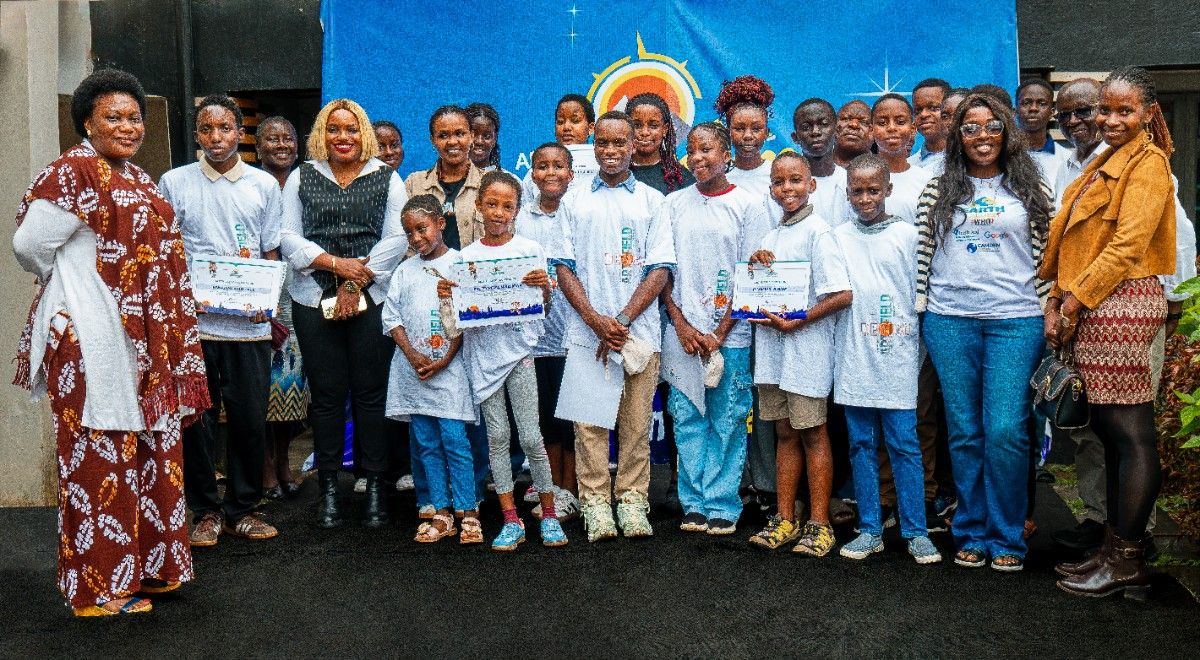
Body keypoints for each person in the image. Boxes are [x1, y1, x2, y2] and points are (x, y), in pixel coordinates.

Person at [12, 69, 210, 615]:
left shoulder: (138, 177)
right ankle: (98, 589)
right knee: (98, 461)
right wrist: (71, 288)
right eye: (113, 117)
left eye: (134, 117)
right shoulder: (71, 172)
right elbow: (29, 246)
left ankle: (147, 568)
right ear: (86, 122)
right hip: (91, 340)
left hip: (142, 345)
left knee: (147, 452)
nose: (128, 127)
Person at [1044, 67, 1177, 599]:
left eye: (1125, 110)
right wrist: (1058, 297)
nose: (1111, 119)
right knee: (1111, 432)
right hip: (1098, 303)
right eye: (1106, 109)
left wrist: (1072, 301)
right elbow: (1076, 242)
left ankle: (1127, 559)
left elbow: (1126, 247)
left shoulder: (1148, 164)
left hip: (1121, 304)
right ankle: (1113, 547)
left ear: (1148, 113)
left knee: (1131, 434)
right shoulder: (1107, 160)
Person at [915, 92, 1053, 572]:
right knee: (965, 431)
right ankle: (971, 530)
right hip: (950, 319)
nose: (982, 136)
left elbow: (1049, 254)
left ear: (1007, 132)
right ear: (957, 135)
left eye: (992, 126)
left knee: (1006, 430)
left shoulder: (1032, 186)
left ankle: (1008, 535)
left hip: (1017, 320)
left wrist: (1052, 306)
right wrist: (921, 306)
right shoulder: (938, 188)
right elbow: (923, 253)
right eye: (970, 128)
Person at [279, 98, 409, 529]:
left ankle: (375, 486)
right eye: (333, 129)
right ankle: (330, 488)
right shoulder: (302, 176)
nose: (342, 137)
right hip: (312, 298)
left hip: (372, 298)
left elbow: (396, 240)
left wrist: (354, 282)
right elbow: (288, 237)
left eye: (351, 129)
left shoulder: (387, 177)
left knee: (371, 395)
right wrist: (336, 265)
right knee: (327, 397)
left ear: (363, 133)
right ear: (322, 133)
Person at [159, 94, 281, 545]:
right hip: (196, 326)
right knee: (197, 420)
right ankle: (206, 511)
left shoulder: (262, 185)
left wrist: (269, 303)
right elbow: (167, 252)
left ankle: (242, 509)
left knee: (249, 419)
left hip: (249, 327)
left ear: (239, 133)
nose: (216, 137)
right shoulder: (174, 182)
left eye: (225, 128)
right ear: (196, 134)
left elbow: (271, 250)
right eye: (207, 129)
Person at [553, 110, 674, 542]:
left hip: (639, 334)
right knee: (589, 426)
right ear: (593, 145)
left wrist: (621, 320)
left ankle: (632, 500)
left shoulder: (653, 201)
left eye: (619, 142)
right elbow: (563, 267)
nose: (610, 150)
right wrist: (594, 320)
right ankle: (595, 504)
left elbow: (660, 269)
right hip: (587, 334)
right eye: (603, 142)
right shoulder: (573, 201)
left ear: (633, 145)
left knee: (636, 426)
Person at [445, 171, 568, 550]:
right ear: (478, 206)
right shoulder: (464, 259)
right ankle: (511, 519)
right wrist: (447, 297)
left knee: (531, 436)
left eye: (507, 206)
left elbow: (544, 309)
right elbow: (454, 323)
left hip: (520, 356)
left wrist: (544, 291)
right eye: (492, 204)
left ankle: (549, 516)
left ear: (517, 210)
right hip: (483, 359)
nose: (498, 212)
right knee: (497, 438)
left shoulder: (530, 251)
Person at [660, 122, 771, 535]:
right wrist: (681, 324)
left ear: (726, 155)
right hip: (683, 335)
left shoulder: (748, 205)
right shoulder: (673, 204)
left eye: (707, 150)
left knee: (727, 418)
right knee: (687, 416)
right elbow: (663, 270)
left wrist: (720, 333)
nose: (698, 158)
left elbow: (751, 273)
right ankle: (693, 502)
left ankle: (723, 502)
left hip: (731, 335)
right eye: (692, 150)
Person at [833, 154, 942, 564]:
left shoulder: (909, 237)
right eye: (857, 191)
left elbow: (921, 294)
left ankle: (916, 531)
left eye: (873, 190)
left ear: (889, 190)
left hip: (898, 356)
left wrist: (915, 346)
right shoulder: (837, 237)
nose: (865, 198)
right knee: (861, 444)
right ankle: (870, 529)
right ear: (847, 193)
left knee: (904, 444)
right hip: (854, 357)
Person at [746, 152, 852, 555]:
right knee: (784, 433)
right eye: (779, 182)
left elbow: (842, 294)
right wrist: (755, 274)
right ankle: (785, 518)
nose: (787, 188)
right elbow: (757, 296)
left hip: (806, 353)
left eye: (795, 180)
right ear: (771, 188)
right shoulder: (770, 239)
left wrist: (800, 319)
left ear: (811, 185)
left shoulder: (819, 233)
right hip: (774, 355)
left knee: (812, 433)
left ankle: (819, 524)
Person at [383, 195, 477, 543]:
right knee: (426, 442)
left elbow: (467, 317)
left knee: (454, 440)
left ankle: (468, 509)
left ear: (440, 223)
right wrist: (412, 355)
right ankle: (441, 510)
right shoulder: (404, 270)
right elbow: (391, 317)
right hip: (414, 372)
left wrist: (445, 359)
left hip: (450, 372)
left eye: (422, 228)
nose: (416, 238)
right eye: (409, 232)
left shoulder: (460, 264)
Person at [516, 143, 582, 521]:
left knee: (570, 417)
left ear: (572, 174)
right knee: (545, 419)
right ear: (533, 174)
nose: (551, 172)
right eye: (542, 166)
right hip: (534, 337)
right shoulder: (521, 218)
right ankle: (552, 491)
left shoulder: (579, 214)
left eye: (559, 166)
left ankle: (572, 490)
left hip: (574, 332)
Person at [256, 116, 309, 501]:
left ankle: (284, 460)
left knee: (289, 386)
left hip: (297, 296)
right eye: (271, 139)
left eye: (287, 138)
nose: (281, 145)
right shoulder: (250, 183)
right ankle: (264, 466)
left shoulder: (306, 183)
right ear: (258, 146)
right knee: (259, 388)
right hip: (256, 298)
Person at [405, 105, 484, 251]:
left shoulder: (489, 183)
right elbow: (404, 240)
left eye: (459, 133)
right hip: (426, 266)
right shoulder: (414, 183)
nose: (452, 141)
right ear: (432, 140)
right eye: (443, 135)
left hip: (475, 265)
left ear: (472, 136)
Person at [870, 94, 934, 223]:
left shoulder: (928, 181)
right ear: (871, 130)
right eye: (882, 123)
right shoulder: (856, 179)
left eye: (900, 122)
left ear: (912, 129)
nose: (891, 128)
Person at [522, 93, 598, 200]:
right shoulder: (536, 172)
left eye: (575, 121)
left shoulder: (602, 164)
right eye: (560, 122)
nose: (566, 127)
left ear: (590, 128)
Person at [716, 75, 775, 200]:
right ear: (728, 132)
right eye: (739, 128)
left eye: (756, 129)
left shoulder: (779, 175)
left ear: (766, 132)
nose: (748, 135)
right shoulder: (717, 178)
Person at [793, 97, 849, 225]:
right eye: (806, 127)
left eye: (823, 124)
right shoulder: (787, 187)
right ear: (795, 137)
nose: (815, 132)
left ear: (837, 131)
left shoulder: (849, 182)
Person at [627, 92, 695, 195]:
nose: (645, 132)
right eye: (637, 125)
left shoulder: (683, 179)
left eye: (653, 126)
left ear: (665, 129)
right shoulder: (614, 174)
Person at [1015, 79, 1066, 186]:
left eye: (1042, 103)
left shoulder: (1066, 159)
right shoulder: (1003, 156)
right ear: (1015, 111)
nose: (1033, 108)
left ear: (1051, 113)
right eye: (1026, 103)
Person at [909, 78, 952, 172]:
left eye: (933, 108)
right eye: (918, 110)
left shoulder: (969, 161)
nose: (923, 115)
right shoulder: (910, 166)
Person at [465, 102, 505, 172]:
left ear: (495, 139)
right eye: (473, 134)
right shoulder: (444, 176)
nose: (479, 141)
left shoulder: (508, 178)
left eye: (487, 136)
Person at [832, 100, 873, 167]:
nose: (854, 124)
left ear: (873, 132)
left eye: (863, 122)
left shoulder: (886, 169)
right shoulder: (814, 165)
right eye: (846, 119)